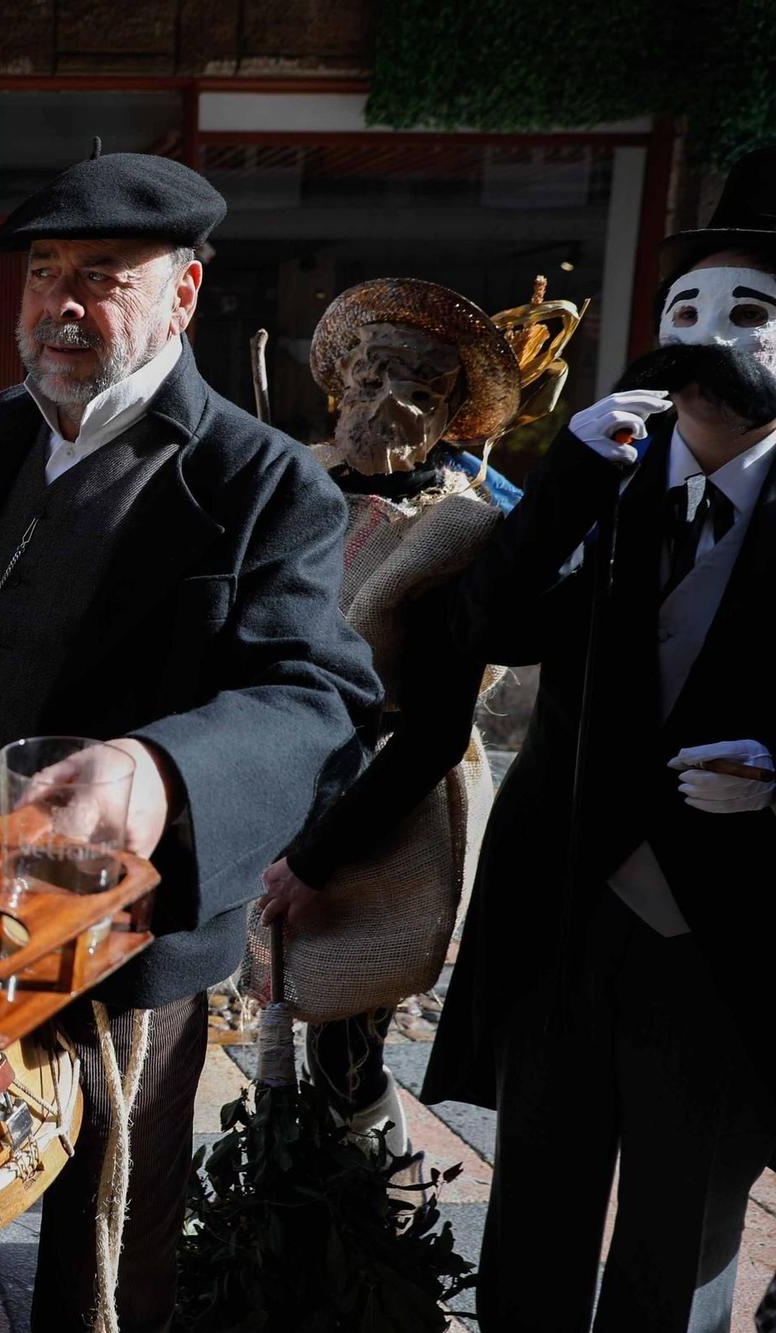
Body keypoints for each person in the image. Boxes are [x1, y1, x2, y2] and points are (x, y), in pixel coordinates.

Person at [0, 147, 381, 1331]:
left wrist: (158, 768)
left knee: (101, 1256)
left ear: (181, 297)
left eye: (102, 274)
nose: (60, 303)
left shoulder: (258, 482)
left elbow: (319, 696)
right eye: (44, 272)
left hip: (119, 945)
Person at [425, 147, 776, 1332]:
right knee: (533, 1208)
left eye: (750, 313)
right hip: (566, 907)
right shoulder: (602, 480)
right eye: (684, 309)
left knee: (680, 1233)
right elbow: (494, 627)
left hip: (726, 936)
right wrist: (567, 476)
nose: (706, 335)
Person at [254, 278, 525, 1165]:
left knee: (344, 1029)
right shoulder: (294, 476)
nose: (390, 401)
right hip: (280, 764)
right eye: (373, 374)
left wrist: (322, 851)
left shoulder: (458, 522)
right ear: (340, 381)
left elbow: (435, 728)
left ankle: (366, 1227)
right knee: (278, 1005)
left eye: (423, 384)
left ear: (454, 411)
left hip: (386, 797)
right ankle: (285, 1218)